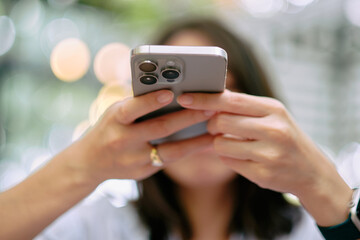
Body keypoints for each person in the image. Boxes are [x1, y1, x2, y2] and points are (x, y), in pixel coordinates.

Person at [0, 18, 354, 240]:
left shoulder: (311, 231)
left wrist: (321, 184)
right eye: (171, 95)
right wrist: (80, 166)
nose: (197, 112)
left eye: (218, 90)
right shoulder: (98, 228)